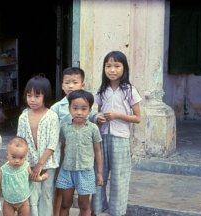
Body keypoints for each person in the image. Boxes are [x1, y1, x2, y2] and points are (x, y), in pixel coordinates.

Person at [91, 51, 142, 216]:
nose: (112, 70)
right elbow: (98, 112)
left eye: (116, 66)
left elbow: (137, 118)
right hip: (102, 137)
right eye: (108, 66)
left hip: (120, 138)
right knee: (100, 175)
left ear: (124, 68)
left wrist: (118, 116)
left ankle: (117, 212)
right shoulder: (102, 90)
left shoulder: (129, 91)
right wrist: (98, 118)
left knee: (119, 178)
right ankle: (98, 210)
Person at [50, 67, 96, 216]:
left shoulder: (87, 106)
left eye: (75, 82)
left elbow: (94, 123)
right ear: (62, 86)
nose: (70, 86)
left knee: (83, 201)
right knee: (60, 190)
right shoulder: (57, 108)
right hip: (60, 155)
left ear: (82, 85)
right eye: (67, 83)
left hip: (82, 158)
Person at [17, 75, 60, 216]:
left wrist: (40, 164)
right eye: (29, 95)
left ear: (45, 96)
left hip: (47, 164)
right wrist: (26, 164)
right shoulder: (23, 117)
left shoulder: (52, 116)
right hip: (29, 164)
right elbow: (20, 141)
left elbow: (52, 144)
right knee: (32, 196)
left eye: (37, 96)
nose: (32, 99)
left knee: (46, 196)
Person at [55, 89, 103, 216]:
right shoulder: (64, 127)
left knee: (84, 205)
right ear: (70, 108)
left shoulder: (93, 129)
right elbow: (62, 147)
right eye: (75, 108)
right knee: (65, 203)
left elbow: (98, 151)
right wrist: (58, 168)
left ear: (90, 109)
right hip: (67, 171)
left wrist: (99, 173)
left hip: (86, 171)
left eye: (83, 108)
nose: (79, 112)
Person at [0, 136, 48, 216]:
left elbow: (32, 177)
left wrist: (41, 178)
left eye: (21, 158)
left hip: (23, 202)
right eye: (13, 157)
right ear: (7, 155)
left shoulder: (26, 166)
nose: (17, 161)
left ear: (25, 156)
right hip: (8, 202)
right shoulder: (3, 169)